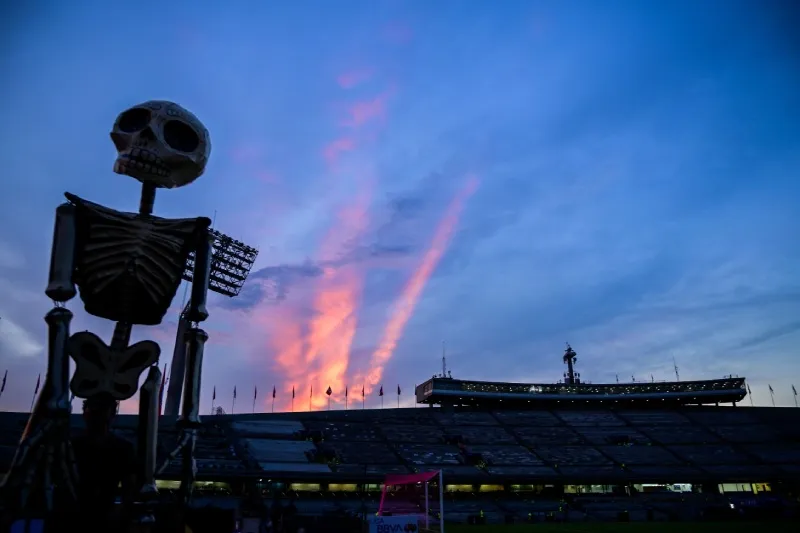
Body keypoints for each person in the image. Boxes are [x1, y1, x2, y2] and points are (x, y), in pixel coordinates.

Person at [70, 393, 137, 533]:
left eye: (100, 409)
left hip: (98, 515)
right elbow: (128, 488)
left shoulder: (72, 446)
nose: (96, 414)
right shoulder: (71, 446)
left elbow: (129, 487)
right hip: (80, 515)